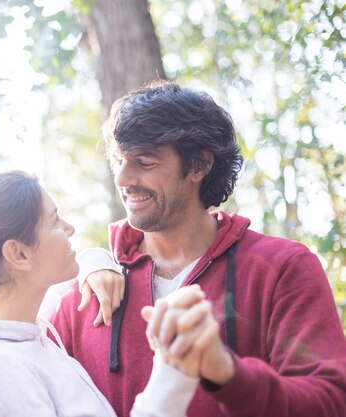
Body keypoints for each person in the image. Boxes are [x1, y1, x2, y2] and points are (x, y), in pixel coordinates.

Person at [49, 80, 346, 417]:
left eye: (144, 163)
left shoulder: (282, 269)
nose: (123, 178)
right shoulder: (84, 297)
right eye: (120, 161)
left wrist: (228, 374)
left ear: (200, 165)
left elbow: (331, 404)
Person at [0, 170, 218, 417]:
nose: (70, 229)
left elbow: (65, 283)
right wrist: (171, 374)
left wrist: (94, 260)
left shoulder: (29, 336)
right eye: (55, 221)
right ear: (19, 255)